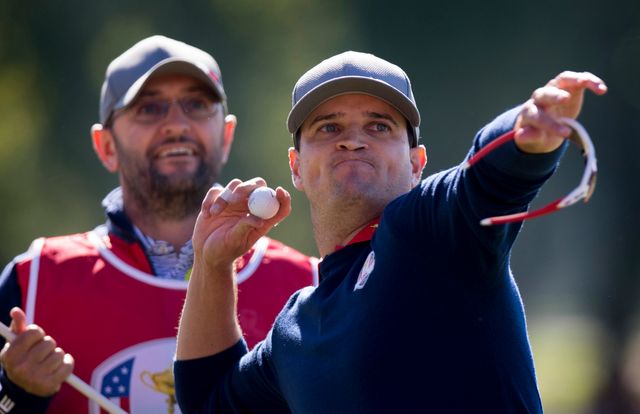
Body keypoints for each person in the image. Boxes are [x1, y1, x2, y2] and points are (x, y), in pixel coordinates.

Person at [174, 51, 607, 412]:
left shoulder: (427, 234)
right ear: (296, 167)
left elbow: (484, 179)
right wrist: (211, 265)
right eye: (329, 128)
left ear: (417, 164)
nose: (353, 141)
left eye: (379, 126)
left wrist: (526, 133)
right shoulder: (296, 330)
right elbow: (209, 403)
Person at [0, 35, 318, 414]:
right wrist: (14, 395)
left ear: (226, 136)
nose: (177, 124)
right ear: (106, 145)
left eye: (196, 104)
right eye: (149, 108)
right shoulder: (38, 277)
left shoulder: (308, 284)